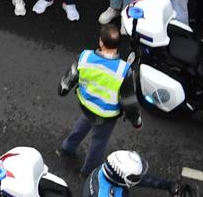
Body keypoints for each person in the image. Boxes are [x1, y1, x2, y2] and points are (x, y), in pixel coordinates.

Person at [56, 25, 141, 178]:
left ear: (101, 42)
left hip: (86, 105)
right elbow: (129, 102)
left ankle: (68, 147)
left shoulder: (85, 56)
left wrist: (63, 89)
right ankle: (88, 172)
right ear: (118, 44)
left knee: (83, 123)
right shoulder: (124, 70)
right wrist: (136, 121)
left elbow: (68, 79)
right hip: (106, 115)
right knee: (99, 142)